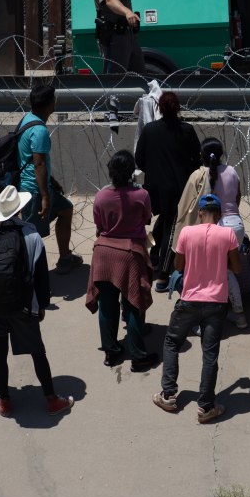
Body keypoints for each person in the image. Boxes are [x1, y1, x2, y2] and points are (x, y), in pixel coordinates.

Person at [0, 185, 74, 418]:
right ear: (20, 209)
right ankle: (51, 400)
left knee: (0, 353)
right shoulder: (32, 236)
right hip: (24, 307)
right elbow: (41, 277)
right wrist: (41, 306)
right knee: (37, 352)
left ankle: (5, 400)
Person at [152, 194, 240, 424]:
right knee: (210, 354)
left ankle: (168, 395)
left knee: (172, 342)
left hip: (189, 300)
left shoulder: (187, 233)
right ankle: (206, 407)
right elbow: (237, 268)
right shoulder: (228, 234)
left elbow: (178, 265)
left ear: (200, 213)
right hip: (216, 303)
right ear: (219, 214)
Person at [86, 150, 158, 372]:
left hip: (104, 254)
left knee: (107, 307)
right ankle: (138, 356)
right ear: (131, 173)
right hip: (129, 254)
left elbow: (99, 226)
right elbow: (147, 218)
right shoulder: (142, 195)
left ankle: (111, 351)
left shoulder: (101, 197)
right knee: (133, 304)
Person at [171, 137, 248, 328]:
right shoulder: (231, 171)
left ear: (201, 155)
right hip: (236, 224)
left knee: (218, 272)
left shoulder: (200, 175)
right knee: (227, 271)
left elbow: (187, 206)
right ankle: (234, 311)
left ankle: (234, 313)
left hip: (219, 227)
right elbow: (237, 197)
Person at [135, 91, 201, 291]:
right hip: (179, 190)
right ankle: (163, 275)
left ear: (159, 108)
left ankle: (153, 253)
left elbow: (139, 158)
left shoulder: (150, 130)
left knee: (164, 220)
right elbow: (196, 160)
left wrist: (154, 173)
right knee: (171, 231)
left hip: (154, 188)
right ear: (178, 108)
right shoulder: (186, 130)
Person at [17, 84, 81, 274]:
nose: (55, 103)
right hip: (34, 191)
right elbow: (38, 164)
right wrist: (45, 195)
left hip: (39, 186)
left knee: (65, 209)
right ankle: (24, 276)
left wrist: (50, 181)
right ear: (48, 104)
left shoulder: (27, 119)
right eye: (54, 100)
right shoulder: (40, 131)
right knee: (31, 236)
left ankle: (65, 258)